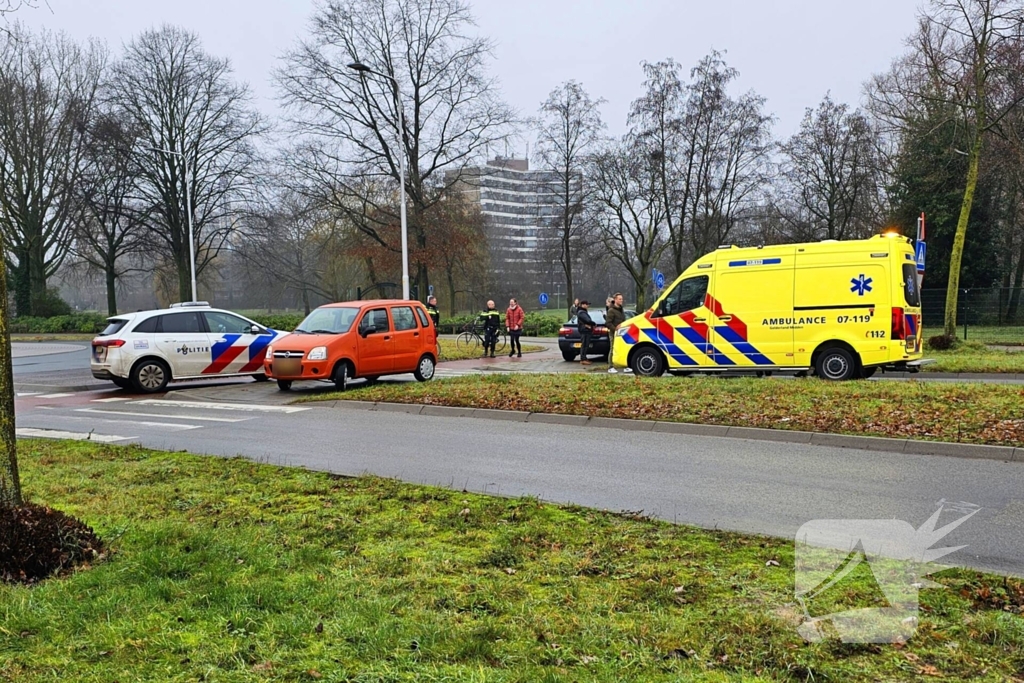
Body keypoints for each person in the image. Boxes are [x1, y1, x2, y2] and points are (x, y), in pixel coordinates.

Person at [605, 292, 626, 374]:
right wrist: (615, 329)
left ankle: (625, 366)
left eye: (622, 299)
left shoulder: (621, 309)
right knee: (613, 349)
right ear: (615, 300)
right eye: (620, 299)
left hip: (621, 333)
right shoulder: (611, 310)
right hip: (613, 333)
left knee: (623, 348)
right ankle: (610, 366)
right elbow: (608, 323)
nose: (621, 300)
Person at [576, 300, 595, 365]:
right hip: (585, 330)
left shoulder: (582, 311)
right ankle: (583, 359)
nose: (588, 306)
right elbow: (588, 320)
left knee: (585, 345)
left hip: (585, 330)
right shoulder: (581, 312)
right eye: (586, 304)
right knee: (584, 345)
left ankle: (584, 358)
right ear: (583, 305)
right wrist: (593, 323)